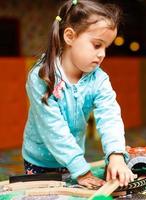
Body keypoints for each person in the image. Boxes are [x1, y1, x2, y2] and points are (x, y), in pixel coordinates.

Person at [22, 0, 135, 189]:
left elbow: (110, 116)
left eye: (106, 47)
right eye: (97, 45)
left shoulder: (99, 80)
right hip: (40, 162)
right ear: (69, 36)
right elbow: (53, 130)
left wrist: (116, 155)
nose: (103, 54)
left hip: (72, 160)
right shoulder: (42, 76)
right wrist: (81, 171)